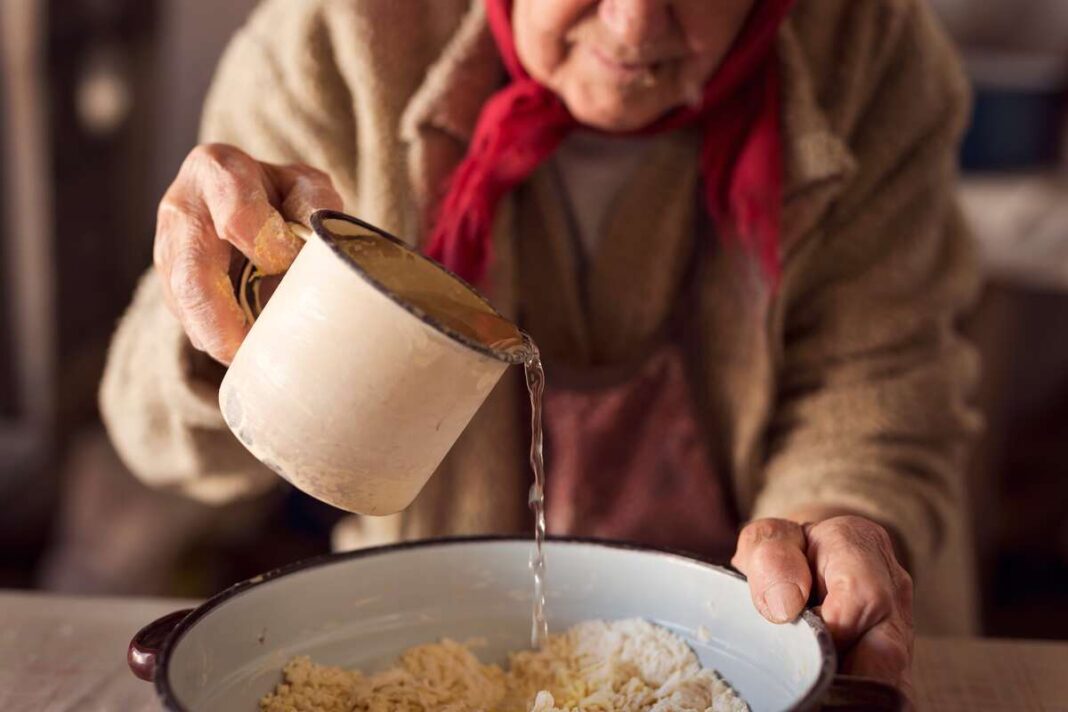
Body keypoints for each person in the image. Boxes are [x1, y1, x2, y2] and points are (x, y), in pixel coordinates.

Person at [101, 0, 981, 701]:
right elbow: (152, 441)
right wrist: (226, 317)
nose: (633, 26)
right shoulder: (335, 39)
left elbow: (876, 381)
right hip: (427, 642)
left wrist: (823, 544)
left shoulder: (868, 50)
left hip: (744, 648)